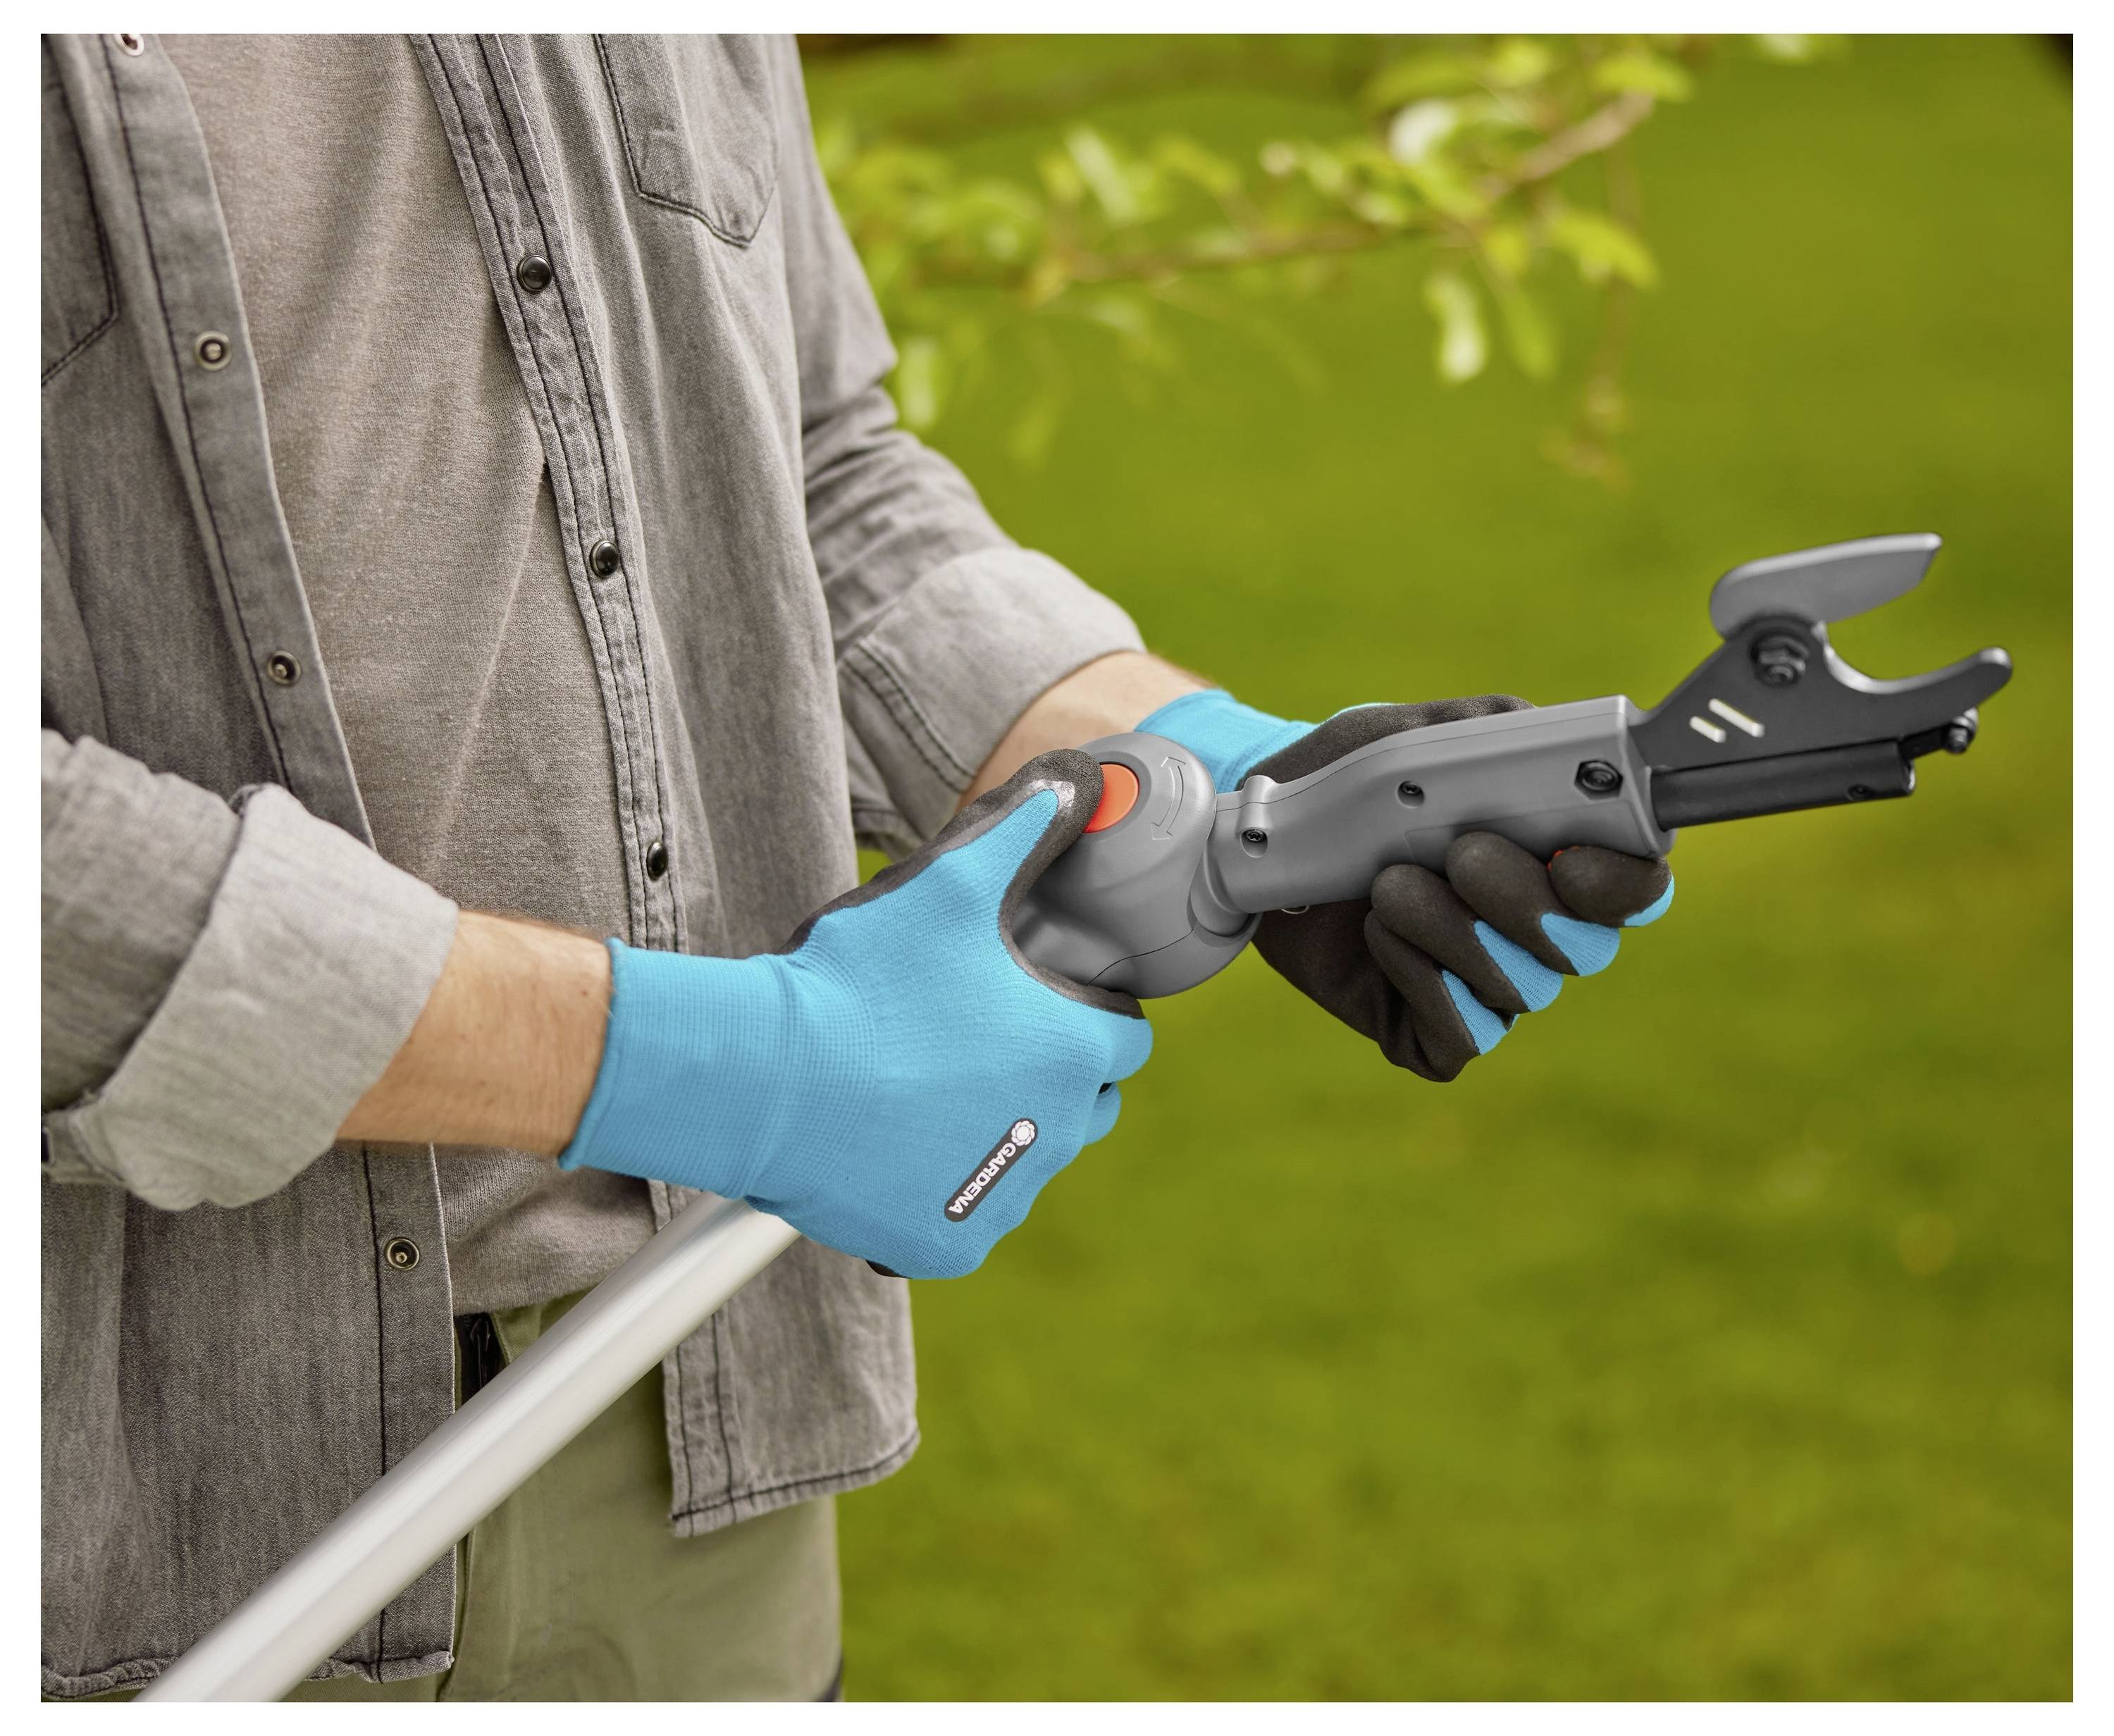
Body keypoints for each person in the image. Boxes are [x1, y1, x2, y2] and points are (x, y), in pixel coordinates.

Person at [39, 33, 1672, 1701]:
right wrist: (709, 1065)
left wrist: (1210, 772)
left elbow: (807, 459)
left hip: (681, 1433)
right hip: (140, 1524)